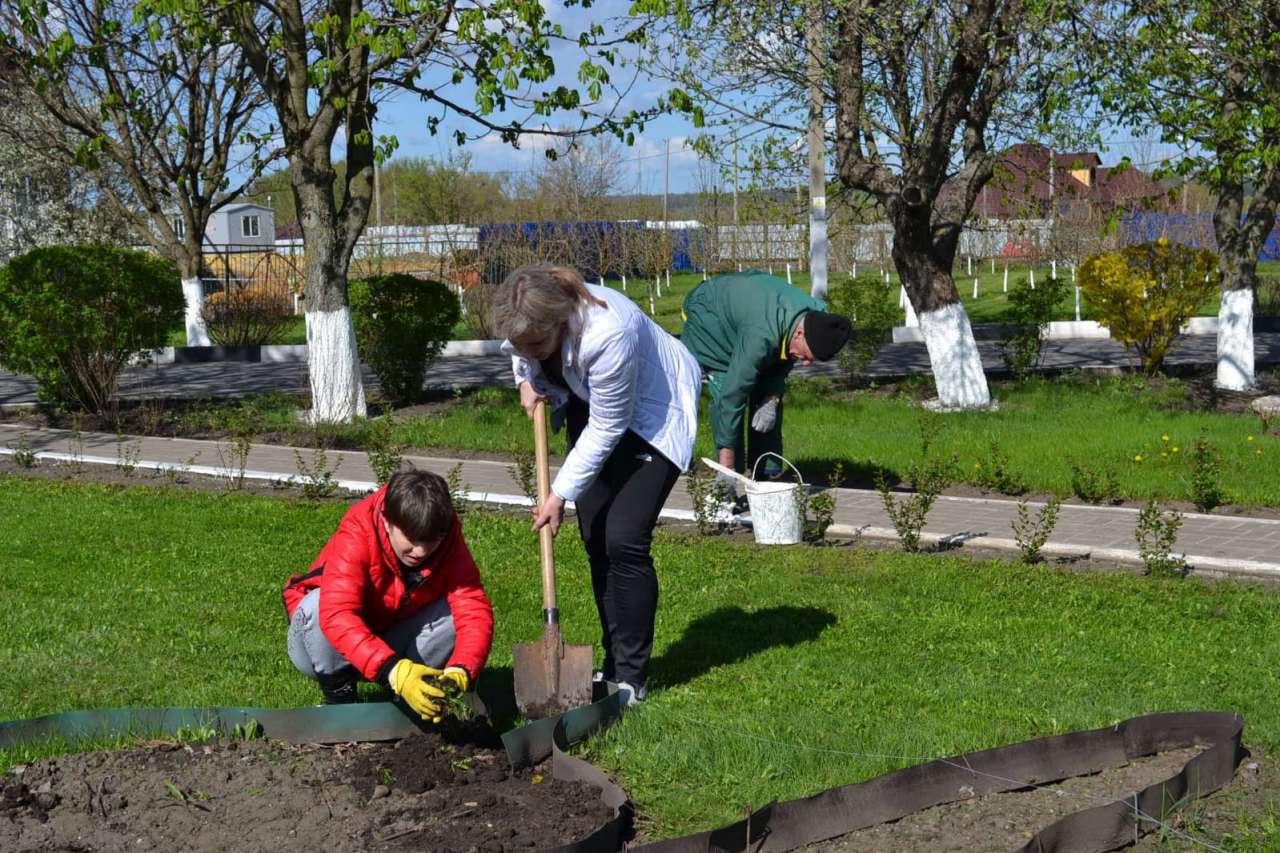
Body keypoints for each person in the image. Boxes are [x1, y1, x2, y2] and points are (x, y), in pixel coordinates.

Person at [495, 263, 701, 706]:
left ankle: (631, 677)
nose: (527, 352)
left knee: (624, 538)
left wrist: (558, 494)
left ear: (560, 322)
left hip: (652, 414)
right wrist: (525, 382)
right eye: (521, 346)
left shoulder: (609, 333)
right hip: (589, 398)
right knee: (596, 537)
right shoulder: (528, 318)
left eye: (535, 345)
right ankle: (611, 662)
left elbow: (610, 426)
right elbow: (521, 350)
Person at [282, 469, 494, 722]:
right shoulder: (358, 529)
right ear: (387, 521)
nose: (421, 551)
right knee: (319, 604)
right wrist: (394, 671)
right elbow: (336, 614)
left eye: (431, 541)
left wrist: (462, 669)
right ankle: (340, 700)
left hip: (390, 633)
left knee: (454, 617)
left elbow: (472, 607)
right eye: (412, 539)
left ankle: (418, 694)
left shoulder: (447, 535)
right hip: (319, 647)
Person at [680, 269, 851, 495]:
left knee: (767, 406)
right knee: (727, 391)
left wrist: (771, 398)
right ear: (799, 334)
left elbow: (780, 364)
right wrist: (726, 466)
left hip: (754, 315)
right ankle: (730, 476)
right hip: (710, 318)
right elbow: (734, 393)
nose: (806, 364)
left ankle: (766, 476)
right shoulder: (760, 335)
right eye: (808, 356)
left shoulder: (818, 321)